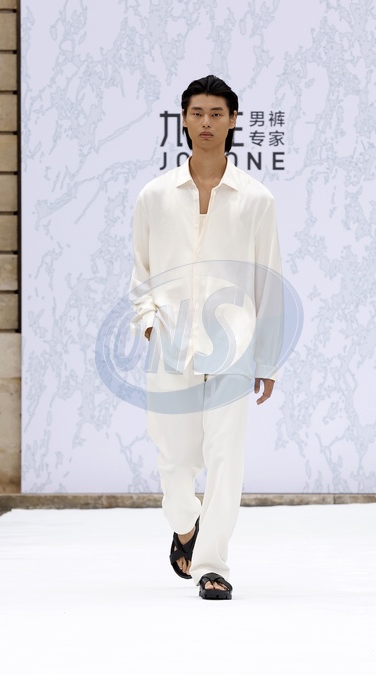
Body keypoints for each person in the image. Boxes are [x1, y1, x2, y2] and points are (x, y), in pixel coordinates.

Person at [129, 75, 282, 600]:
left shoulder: (256, 199)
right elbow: (140, 269)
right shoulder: (155, 196)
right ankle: (184, 523)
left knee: (225, 458)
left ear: (234, 120)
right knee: (174, 459)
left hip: (234, 347)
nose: (207, 122)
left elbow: (269, 280)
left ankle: (213, 564)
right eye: (197, 113)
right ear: (184, 119)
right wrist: (149, 322)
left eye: (217, 113)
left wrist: (267, 360)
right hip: (169, 344)